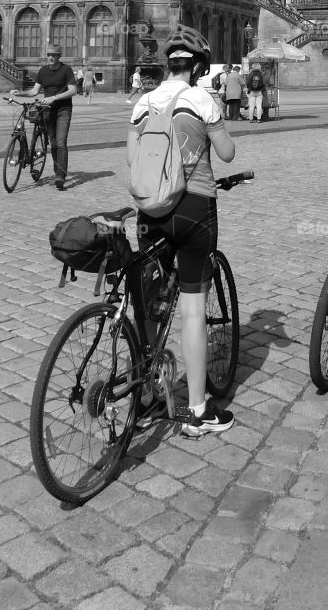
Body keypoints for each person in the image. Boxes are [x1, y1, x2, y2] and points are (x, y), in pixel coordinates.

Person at [128, 26, 236, 436]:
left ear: (168, 64)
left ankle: (145, 394)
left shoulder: (143, 102)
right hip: (193, 207)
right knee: (192, 310)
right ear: (198, 67)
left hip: (150, 210)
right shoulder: (201, 99)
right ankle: (197, 410)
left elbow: (132, 159)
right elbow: (227, 153)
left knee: (150, 302)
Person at [11, 44, 77, 189]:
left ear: (59, 56)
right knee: (53, 143)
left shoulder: (66, 70)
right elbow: (34, 91)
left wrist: (54, 97)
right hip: (47, 111)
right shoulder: (43, 71)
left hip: (63, 110)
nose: (51, 57)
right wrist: (20, 93)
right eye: (48, 55)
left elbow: (73, 90)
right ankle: (58, 171)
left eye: (54, 55)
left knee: (61, 142)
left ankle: (60, 176)